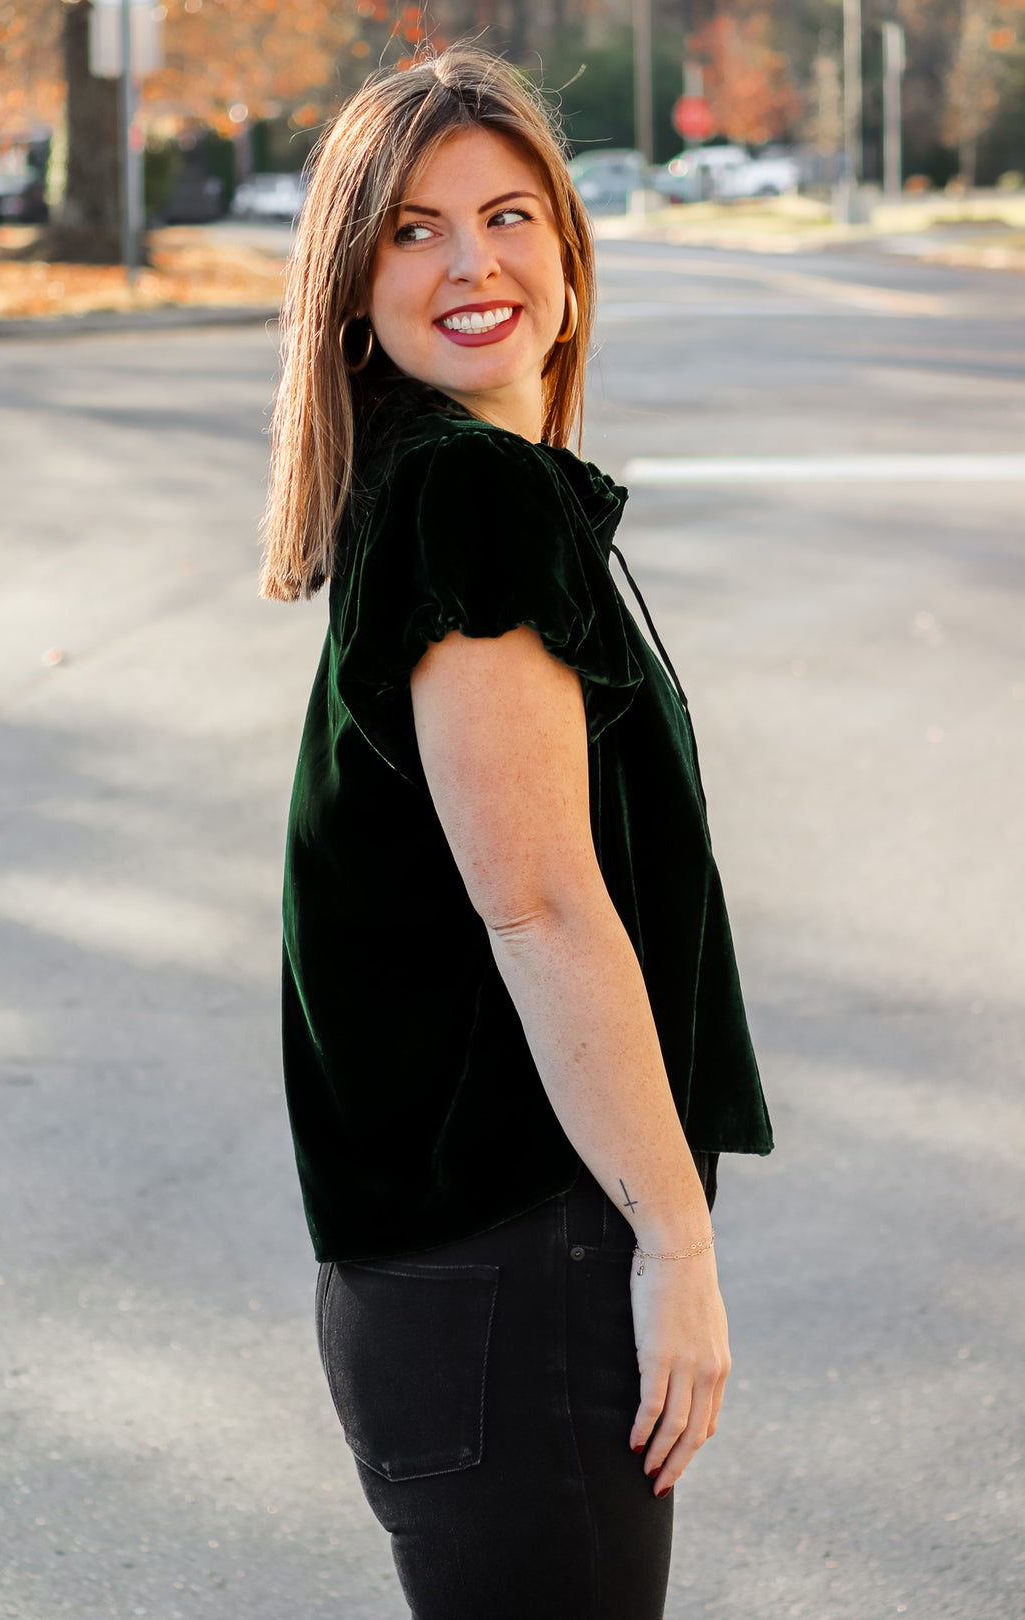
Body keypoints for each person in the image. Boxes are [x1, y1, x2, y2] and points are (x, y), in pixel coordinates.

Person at [261, 45, 772, 1620]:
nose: (472, 261)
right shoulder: (470, 501)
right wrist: (676, 1246)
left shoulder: (452, 486)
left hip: (463, 1288)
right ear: (352, 288)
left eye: (508, 213)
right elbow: (540, 903)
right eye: (411, 230)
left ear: (569, 239)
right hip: (515, 1270)